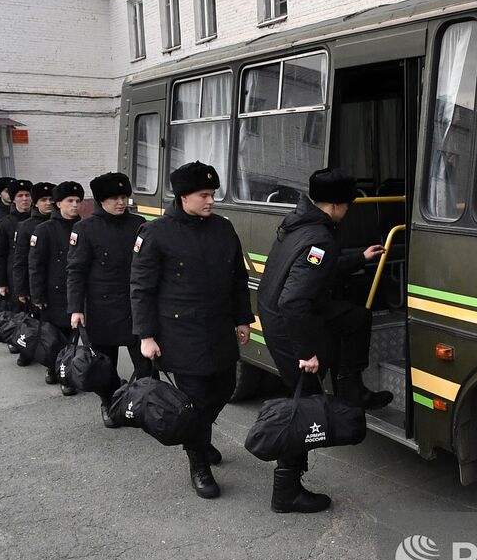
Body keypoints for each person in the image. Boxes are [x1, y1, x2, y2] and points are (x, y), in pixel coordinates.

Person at [256, 168, 390, 513]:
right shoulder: (319, 237)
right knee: (306, 408)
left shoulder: (302, 222)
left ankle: (350, 387)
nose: (349, 211)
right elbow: (294, 301)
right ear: (336, 205)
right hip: (292, 325)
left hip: (295, 312)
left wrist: (360, 258)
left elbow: (319, 270)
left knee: (357, 317)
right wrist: (307, 353)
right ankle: (286, 490)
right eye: (348, 204)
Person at [130, 162, 252, 498]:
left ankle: (197, 435)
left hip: (219, 329)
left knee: (225, 388)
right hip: (181, 334)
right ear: (184, 197)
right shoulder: (155, 233)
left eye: (213, 194)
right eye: (204, 195)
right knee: (196, 400)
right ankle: (198, 462)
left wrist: (243, 319)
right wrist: (146, 336)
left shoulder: (224, 229)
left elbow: (238, 280)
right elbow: (141, 289)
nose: (212, 200)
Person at [67, 172, 146, 427]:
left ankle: (141, 402)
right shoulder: (85, 228)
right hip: (102, 308)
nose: (121, 202)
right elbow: (75, 270)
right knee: (104, 365)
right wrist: (76, 308)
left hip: (136, 306)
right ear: (101, 201)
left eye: (124, 197)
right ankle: (109, 402)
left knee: (146, 363)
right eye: (114, 198)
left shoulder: (139, 224)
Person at [29, 180, 84, 393]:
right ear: (58, 204)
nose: (75, 205)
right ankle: (55, 369)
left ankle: (68, 374)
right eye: (69, 201)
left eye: (78, 201)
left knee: (74, 338)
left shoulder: (85, 227)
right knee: (55, 337)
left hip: (78, 293)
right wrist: (37, 296)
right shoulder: (44, 230)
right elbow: (35, 266)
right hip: (54, 293)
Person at [10, 181, 55, 367]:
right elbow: (20, 261)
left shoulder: (62, 224)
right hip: (33, 284)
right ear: (36, 202)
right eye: (43, 199)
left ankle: (53, 361)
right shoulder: (26, 227)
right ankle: (26, 350)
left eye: (52, 199)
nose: (48, 203)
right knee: (34, 323)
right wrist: (21, 290)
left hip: (54, 284)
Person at [0, 179, 33, 298]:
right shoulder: (4, 223)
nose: (24, 199)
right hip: (14, 276)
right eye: (20, 196)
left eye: (27, 195)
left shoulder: (40, 223)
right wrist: (1, 282)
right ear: (13, 199)